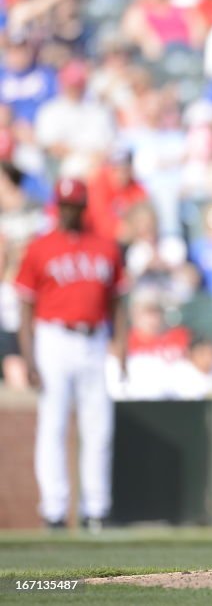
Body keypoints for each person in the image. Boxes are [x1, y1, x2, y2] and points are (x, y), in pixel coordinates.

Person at [15, 178, 128, 532]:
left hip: (95, 339)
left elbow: (119, 302)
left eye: (74, 205)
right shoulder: (40, 247)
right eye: (64, 205)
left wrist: (121, 345)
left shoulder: (105, 246)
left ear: (83, 207)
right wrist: (29, 358)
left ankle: (96, 509)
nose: (69, 211)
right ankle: (54, 509)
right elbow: (24, 308)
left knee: (99, 427)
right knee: (53, 425)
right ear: (56, 206)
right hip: (54, 338)